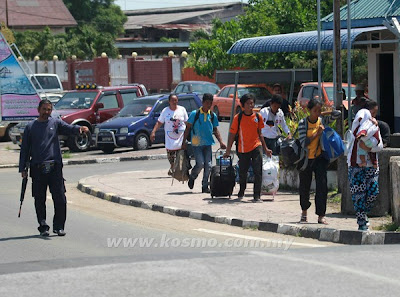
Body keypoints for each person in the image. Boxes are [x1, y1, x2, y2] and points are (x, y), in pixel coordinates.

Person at [19, 99, 89, 236]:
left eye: (49, 110)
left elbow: (69, 128)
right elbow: (25, 150)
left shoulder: (55, 123)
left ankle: (59, 226)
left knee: (60, 198)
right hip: (38, 168)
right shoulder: (30, 127)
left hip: (55, 167)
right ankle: (43, 225)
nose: (47, 112)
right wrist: (23, 168)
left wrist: (79, 129)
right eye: (44, 109)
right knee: (39, 199)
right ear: (38, 110)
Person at [297, 98, 341, 225]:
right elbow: (303, 142)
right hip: (305, 159)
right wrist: (317, 134)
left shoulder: (322, 121)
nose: (317, 113)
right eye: (315, 110)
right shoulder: (302, 123)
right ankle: (304, 212)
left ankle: (321, 215)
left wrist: (326, 112)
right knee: (304, 187)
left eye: (319, 110)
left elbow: (337, 114)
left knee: (322, 186)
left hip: (319, 158)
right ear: (309, 110)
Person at [224, 93, 272, 202]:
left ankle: (257, 196)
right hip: (243, 148)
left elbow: (260, 134)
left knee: (258, 171)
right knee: (243, 172)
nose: (250, 105)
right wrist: (228, 150)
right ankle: (241, 192)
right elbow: (232, 134)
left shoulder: (257, 117)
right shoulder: (238, 118)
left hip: (256, 146)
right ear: (242, 105)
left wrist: (265, 148)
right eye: (248, 103)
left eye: (252, 103)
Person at [348, 100, 383, 231]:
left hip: (371, 166)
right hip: (355, 165)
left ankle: (363, 212)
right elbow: (358, 130)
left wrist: (368, 148)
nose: (373, 116)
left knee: (373, 192)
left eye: (375, 113)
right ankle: (361, 221)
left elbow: (379, 146)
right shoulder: (359, 124)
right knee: (358, 194)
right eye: (372, 113)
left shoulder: (375, 127)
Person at [182, 93, 226, 193]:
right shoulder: (195, 114)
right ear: (202, 103)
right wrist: (183, 141)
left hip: (208, 143)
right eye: (207, 103)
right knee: (200, 163)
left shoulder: (212, 115)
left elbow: (215, 130)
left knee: (209, 165)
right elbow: (187, 128)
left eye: (210, 103)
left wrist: (221, 142)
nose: (208, 105)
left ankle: (205, 186)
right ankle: (192, 176)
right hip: (197, 143)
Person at [150, 94, 188, 175]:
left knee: (180, 154)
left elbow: (186, 122)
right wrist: (153, 132)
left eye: (176, 100)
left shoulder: (182, 109)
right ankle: (172, 166)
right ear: (169, 101)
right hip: (170, 137)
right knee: (171, 155)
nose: (174, 102)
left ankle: (178, 170)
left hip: (181, 136)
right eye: (172, 100)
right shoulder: (165, 111)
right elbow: (159, 122)